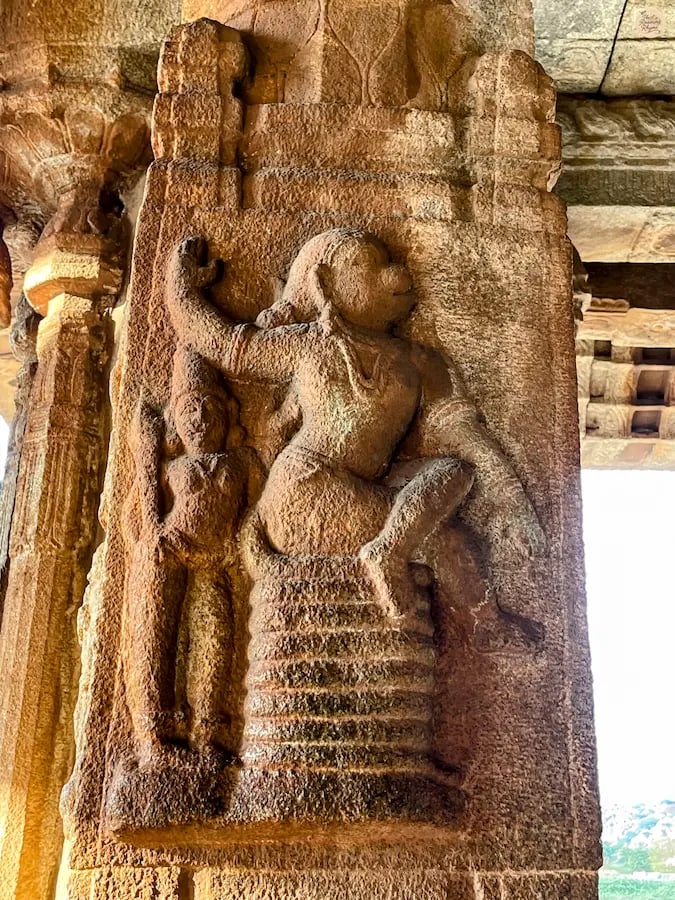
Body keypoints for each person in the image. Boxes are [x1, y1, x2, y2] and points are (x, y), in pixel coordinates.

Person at [166, 229, 544, 623]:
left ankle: (393, 552)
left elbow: (465, 437)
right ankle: (481, 622)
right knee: (445, 541)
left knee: (455, 473)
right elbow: (227, 345)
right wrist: (182, 290)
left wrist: (513, 501)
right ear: (325, 283)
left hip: (363, 483)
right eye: (370, 265)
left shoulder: (421, 362)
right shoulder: (308, 344)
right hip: (305, 488)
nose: (396, 274)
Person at [123, 346, 263, 764]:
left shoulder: (240, 464)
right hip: (171, 551)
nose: (199, 420)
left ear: (226, 418)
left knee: (217, 638)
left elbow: (256, 512)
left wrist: (236, 548)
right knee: (154, 637)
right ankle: (154, 735)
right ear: (175, 424)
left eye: (208, 410)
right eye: (189, 411)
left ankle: (208, 731)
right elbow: (136, 519)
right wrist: (156, 534)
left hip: (216, 561)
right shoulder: (168, 470)